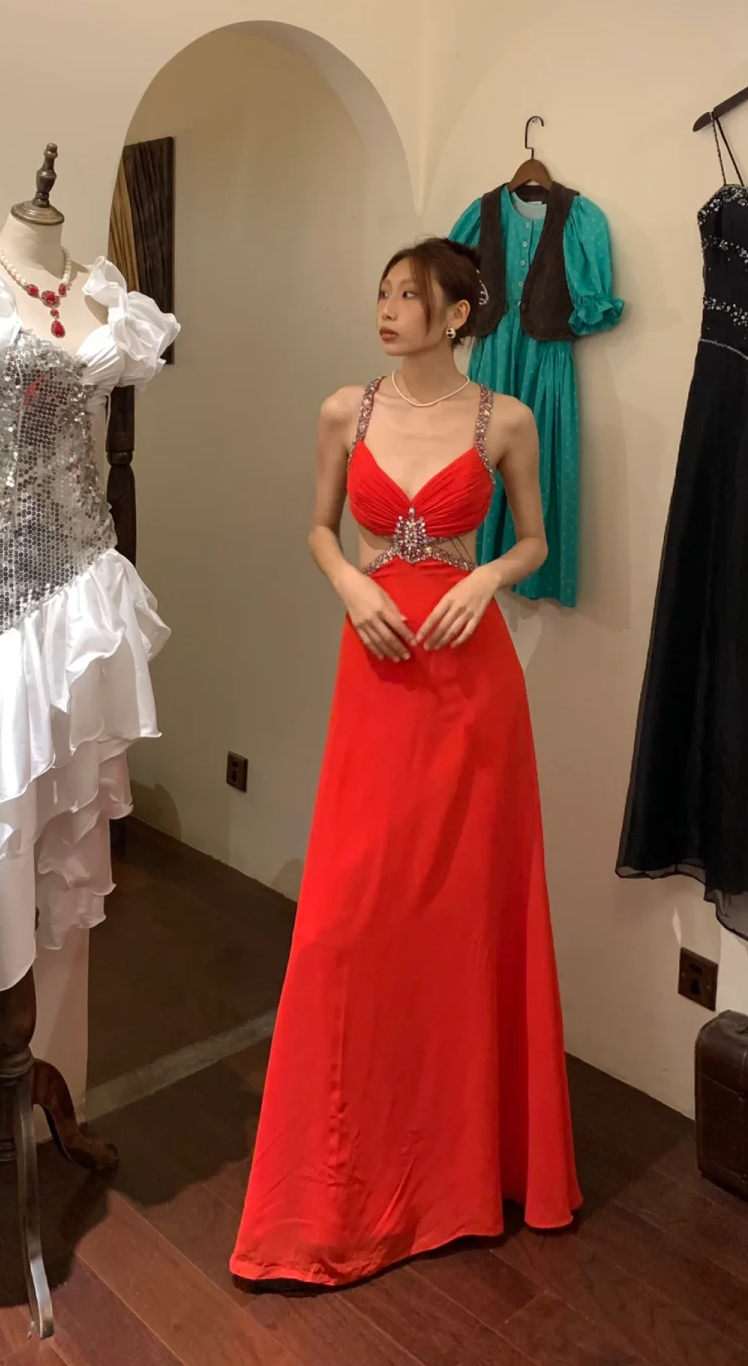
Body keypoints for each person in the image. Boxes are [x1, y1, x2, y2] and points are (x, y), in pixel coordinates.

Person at [230, 237, 581, 1289]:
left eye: (408, 296)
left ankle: (466, 1174)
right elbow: (318, 528)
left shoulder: (504, 421)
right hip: (379, 670)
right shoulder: (348, 410)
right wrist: (351, 583)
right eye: (382, 293)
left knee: (467, 915)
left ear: (457, 314)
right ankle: (340, 1180)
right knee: (347, 919)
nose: (386, 310)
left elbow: (536, 541)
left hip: (473, 688)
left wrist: (487, 579)